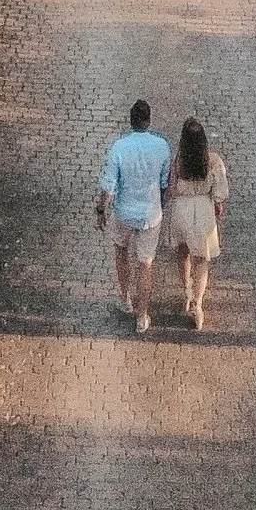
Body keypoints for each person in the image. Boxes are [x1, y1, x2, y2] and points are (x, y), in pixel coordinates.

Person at [96, 97, 173, 333]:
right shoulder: (162, 146)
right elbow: (164, 182)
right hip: (150, 214)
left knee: (121, 250)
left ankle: (125, 297)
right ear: (148, 121)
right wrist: (161, 204)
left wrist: (101, 209)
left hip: (124, 212)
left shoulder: (119, 147)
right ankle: (143, 315)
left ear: (131, 121)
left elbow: (108, 185)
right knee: (145, 264)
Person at [166, 117, 228, 330]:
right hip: (203, 211)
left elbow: (172, 189)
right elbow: (220, 195)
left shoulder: (179, 161)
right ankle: (198, 305)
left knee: (183, 253)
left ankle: (186, 291)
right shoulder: (214, 161)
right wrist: (218, 207)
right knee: (202, 259)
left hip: (182, 210)